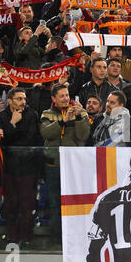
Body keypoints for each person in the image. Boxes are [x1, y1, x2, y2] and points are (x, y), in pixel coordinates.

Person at [40, 83, 90, 248]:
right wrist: (63, 121)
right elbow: (46, 133)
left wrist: (78, 117)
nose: (66, 98)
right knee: (54, 204)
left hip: (73, 167)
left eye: (67, 95)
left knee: (74, 203)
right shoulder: (47, 113)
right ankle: (57, 240)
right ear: (54, 98)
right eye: (61, 96)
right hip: (53, 166)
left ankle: (74, 240)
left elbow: (83, 135)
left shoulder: (80, 111)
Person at [0, 88, 40, 250]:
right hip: (9, 168)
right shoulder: (2, 116)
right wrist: (12, 123)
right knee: (11, 206)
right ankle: (12, 238)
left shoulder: (32, 114)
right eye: (19, 98)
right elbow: (2, 142)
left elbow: (30, 139)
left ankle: (26, 239)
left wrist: (10, 130)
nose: (23, 102)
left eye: (24, 98)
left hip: (28, 168)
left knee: (26, 207)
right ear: (9, 101)